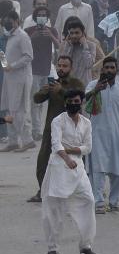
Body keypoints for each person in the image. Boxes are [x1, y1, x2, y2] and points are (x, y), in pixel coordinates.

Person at [41, 89, 100, 254]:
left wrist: (70, 150)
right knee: (54, 209)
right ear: (65, 103)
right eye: (70, 101)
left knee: (88, 200)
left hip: (78, 167)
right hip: (59, 167)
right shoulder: (58, 121)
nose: (73, 104)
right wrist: (67, 157)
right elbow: (55, 144)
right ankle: (52, 248)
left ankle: (86, 246)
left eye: (76, 101)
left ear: (82, 102)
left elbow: (87, 147)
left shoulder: (86, 123)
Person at [29, 56, 85, 203]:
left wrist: (62, 91)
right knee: (43, 161)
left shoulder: (76, 83)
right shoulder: (53, 83)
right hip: (51, 129)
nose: (61, 68)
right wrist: (44, 91)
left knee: (73, 162)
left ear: (70, 68)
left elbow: (78, 99)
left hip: (71, 131)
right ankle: (43, 191)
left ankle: (73, 192)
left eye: (65, 66)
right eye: (59, 65)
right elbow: (36, 99)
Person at [84, 57, 119, 213]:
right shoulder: (92, 86)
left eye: (112, 67)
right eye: (106, 68)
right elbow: (84, 104)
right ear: (102, 70)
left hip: (115, 136)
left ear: (117, 70)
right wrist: (96, 90)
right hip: (96, 135)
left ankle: (114, 202)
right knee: (97, 171)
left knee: (118, 172)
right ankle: (98, 203)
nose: (109, 70)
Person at [1, 12, 35, 151]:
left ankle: (27, 140)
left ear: (16, 21)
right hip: (9, 78)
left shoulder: (22, 36)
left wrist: (13, 66)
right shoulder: (10, 36)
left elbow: (29, 56)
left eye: (9, 20)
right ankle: (13, 141)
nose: (6, 24)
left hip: (21, 78)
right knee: (9, 108)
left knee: (20, 110)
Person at [26, 5, 60, 141]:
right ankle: (35, 130)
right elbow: (25, 46)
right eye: (39, 14)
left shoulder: (52, 30)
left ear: (47, 18)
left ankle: (43, 129)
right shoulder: (28, 31)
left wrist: (51, 35)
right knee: (35, 102)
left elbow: (59, 45)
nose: (42, 17)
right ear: (35, 17)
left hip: (47, 70)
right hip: (33, 70)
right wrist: (32, 37)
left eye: (44, 15)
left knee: (46, 102)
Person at [58, 19, 104, 84]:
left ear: (82, 33)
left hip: (84, 85)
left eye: (77, 33)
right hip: (69, 84)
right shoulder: (67, 45)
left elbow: (88, 64)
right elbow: (63, 64)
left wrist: (85, 45)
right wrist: (69, 47)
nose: (74, 36)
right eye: (71, 33)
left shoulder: (91, 45)